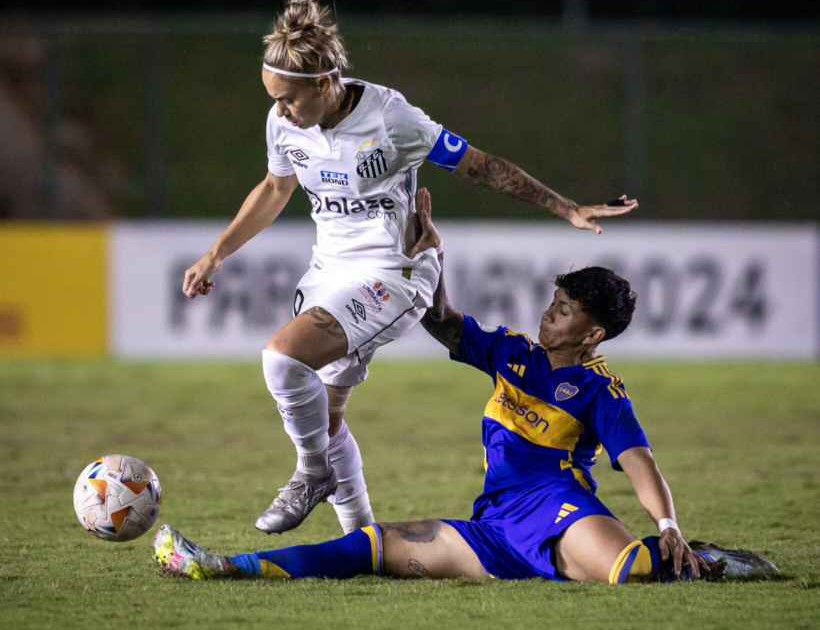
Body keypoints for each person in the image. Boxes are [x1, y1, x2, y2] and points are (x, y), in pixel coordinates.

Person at [181, 0, 638, 539]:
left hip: (394, 274)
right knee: (327, 416)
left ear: (325, 84)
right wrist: (216, 252)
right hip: (328, 273)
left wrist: (563, 207)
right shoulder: (286, 123)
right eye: (273, 98)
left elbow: (481, 165)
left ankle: (310, 473)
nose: (279, 111)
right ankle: (362, 541)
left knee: (282, 361)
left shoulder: (392, 118)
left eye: (288, 99)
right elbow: (277, 188)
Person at [155, 190, 776, 585]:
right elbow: (445, 322)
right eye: (554, 301)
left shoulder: (598, 391)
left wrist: (667, 524)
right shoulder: (513, 353)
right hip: (495, 522)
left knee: (631, 570)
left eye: (567, 311)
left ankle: (708, 560)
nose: (549, 314)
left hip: (558, 509)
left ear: (595, 333)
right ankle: (224, 566)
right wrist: (431, 257)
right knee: (373, 549)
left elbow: (639, 462)